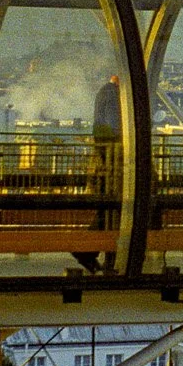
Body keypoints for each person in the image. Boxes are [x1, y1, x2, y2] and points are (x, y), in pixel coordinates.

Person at [73, 71, 122, 272]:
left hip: (106, 158)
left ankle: (89, 251)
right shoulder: (112, 94)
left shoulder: (104, 92)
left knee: (109, 209)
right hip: (112, 160)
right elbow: (113, 126)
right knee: (112, 209)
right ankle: (88, 250)